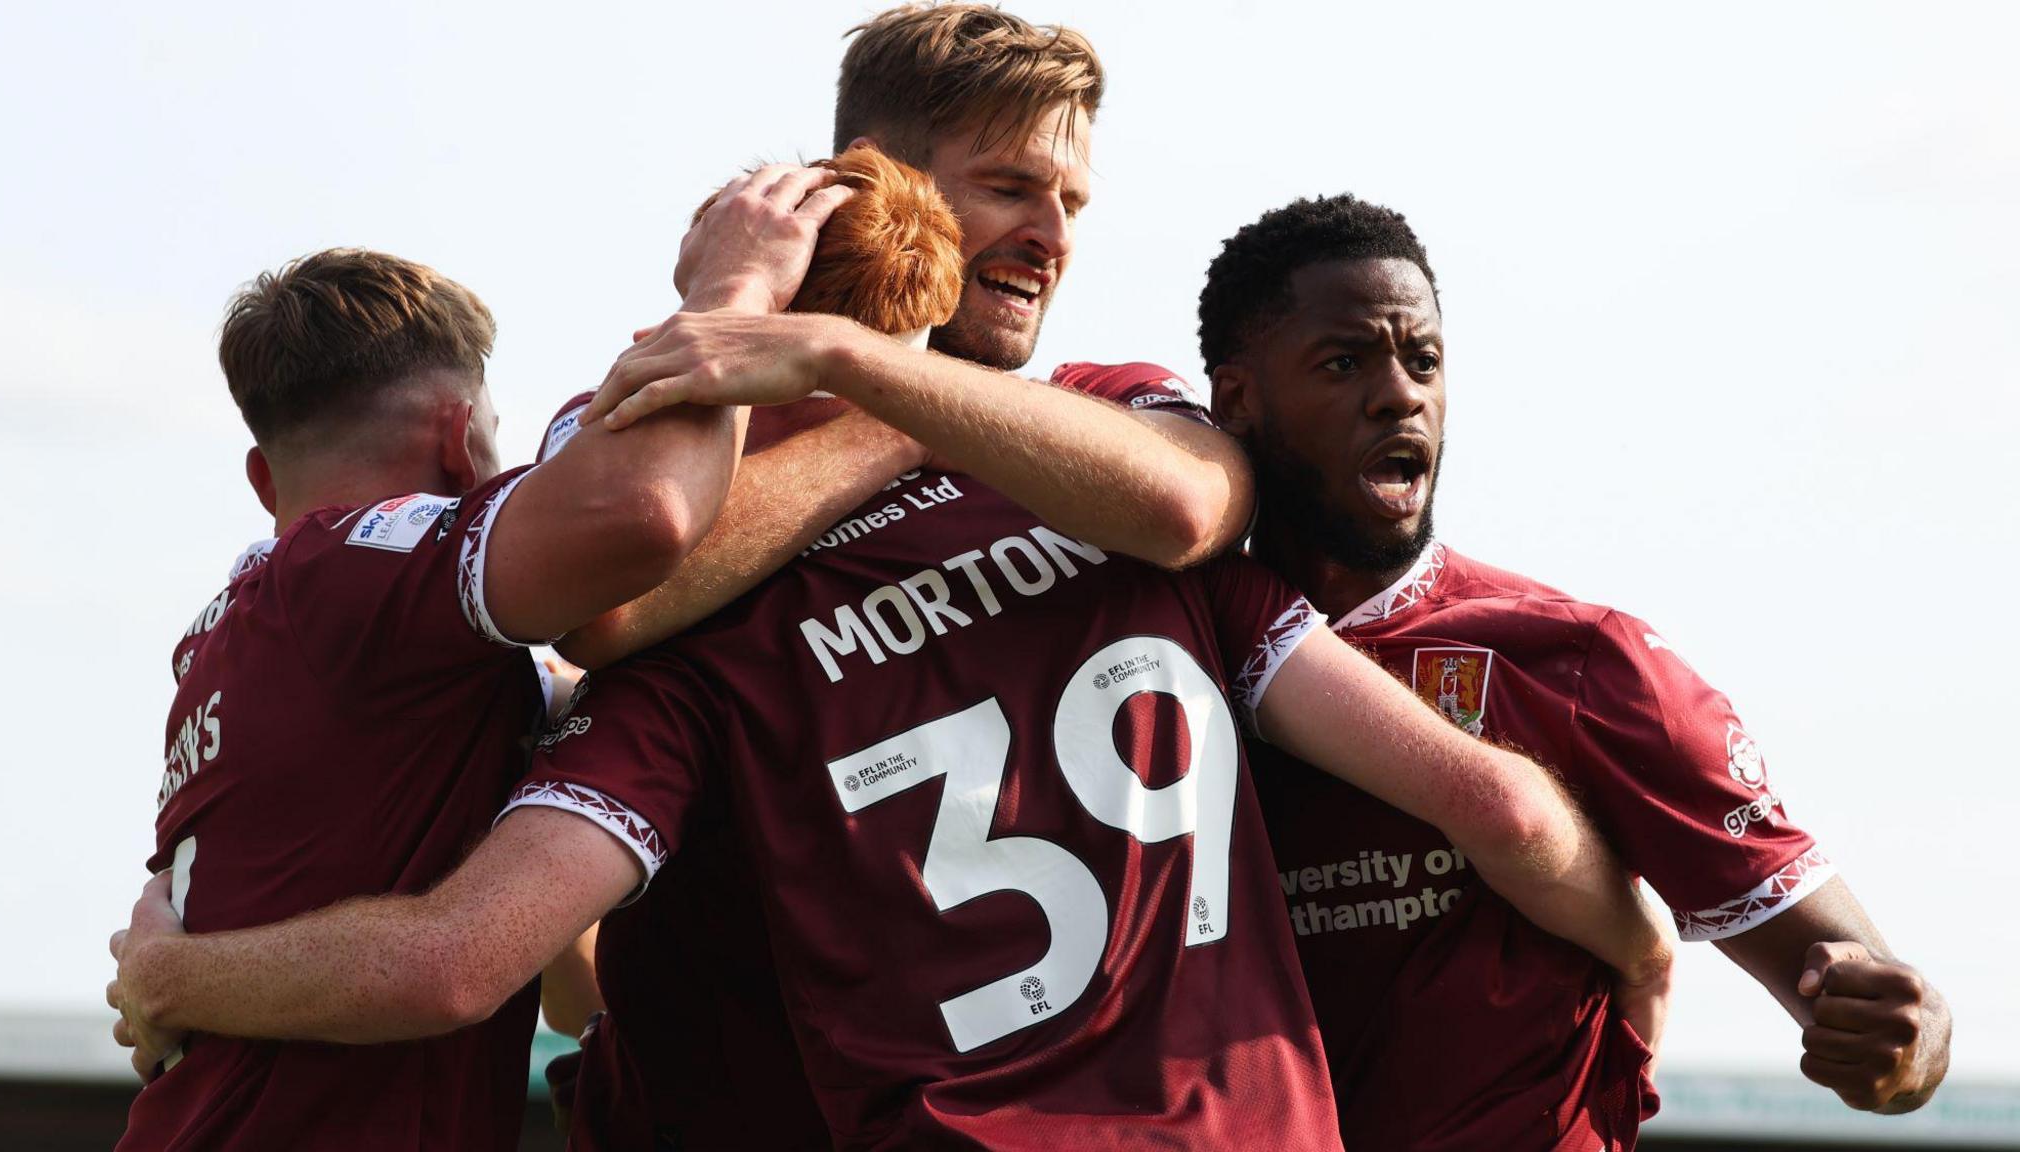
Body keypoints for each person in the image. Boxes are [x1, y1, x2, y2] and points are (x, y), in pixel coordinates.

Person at [109, 84, 1674, 1152]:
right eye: (1021, 191)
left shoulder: (677, 659)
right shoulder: (1122, 501)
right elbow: (1485, 800)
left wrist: (184, 976)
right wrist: (1642, 952)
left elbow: (498, 953)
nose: (1050, 229)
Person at [1199, 193, 1954, 1151]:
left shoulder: (1584, 662)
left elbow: (1871, 997)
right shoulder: (1163, 659)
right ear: (1235, 402)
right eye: (1344, 363)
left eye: (1423, 361)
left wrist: (1905, 1037)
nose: (1401, 395)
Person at [116, 248, 748, 1150]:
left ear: (263, 480)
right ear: (461, 444)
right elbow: (638, 516)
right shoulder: (338, 573)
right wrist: (735, 295)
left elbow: (564, 979)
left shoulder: (233, 642)